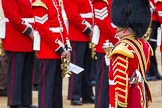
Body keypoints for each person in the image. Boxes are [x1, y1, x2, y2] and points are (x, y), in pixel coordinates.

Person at [108, 0, 153, 107]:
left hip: (129, 99)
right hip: (140, 95)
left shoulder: (122, 49)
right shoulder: (144, 44)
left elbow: (121, 82)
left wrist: (121, 104)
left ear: (124, 28)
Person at [32, 0, 70, 108]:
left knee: (56, 87)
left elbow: (61, 23)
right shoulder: (40, 2)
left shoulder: (55, 1)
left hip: (58, 48)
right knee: (47, 87)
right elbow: (43, 29)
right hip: (48, 50)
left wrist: (66, 44)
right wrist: (59, 47)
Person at [1, 0, 37, 108]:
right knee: (16, 72)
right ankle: (14, 102)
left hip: (30, 38)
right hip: (16, 37)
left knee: (27, 71)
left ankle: (26, 101)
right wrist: (29, 30)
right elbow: (13, 17)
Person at [63, 0, 95, 105]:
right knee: (76, 67)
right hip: (77, 35)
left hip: (88, 36)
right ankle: (74, 95)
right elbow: (73, 16)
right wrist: (88, 29)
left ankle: (87, 94)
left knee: (87, 68)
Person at [92, 0, 118, 108]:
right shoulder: (101, 1)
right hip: (106, 46)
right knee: (103, 82)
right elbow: (103, 23)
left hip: (117, 43)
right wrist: (119, 39)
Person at [146, 0, 162, 81]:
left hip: (157, 19)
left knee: (153, 47)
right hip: (150, 20)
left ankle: (154, 72)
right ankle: (147, 72)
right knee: (149, 47)